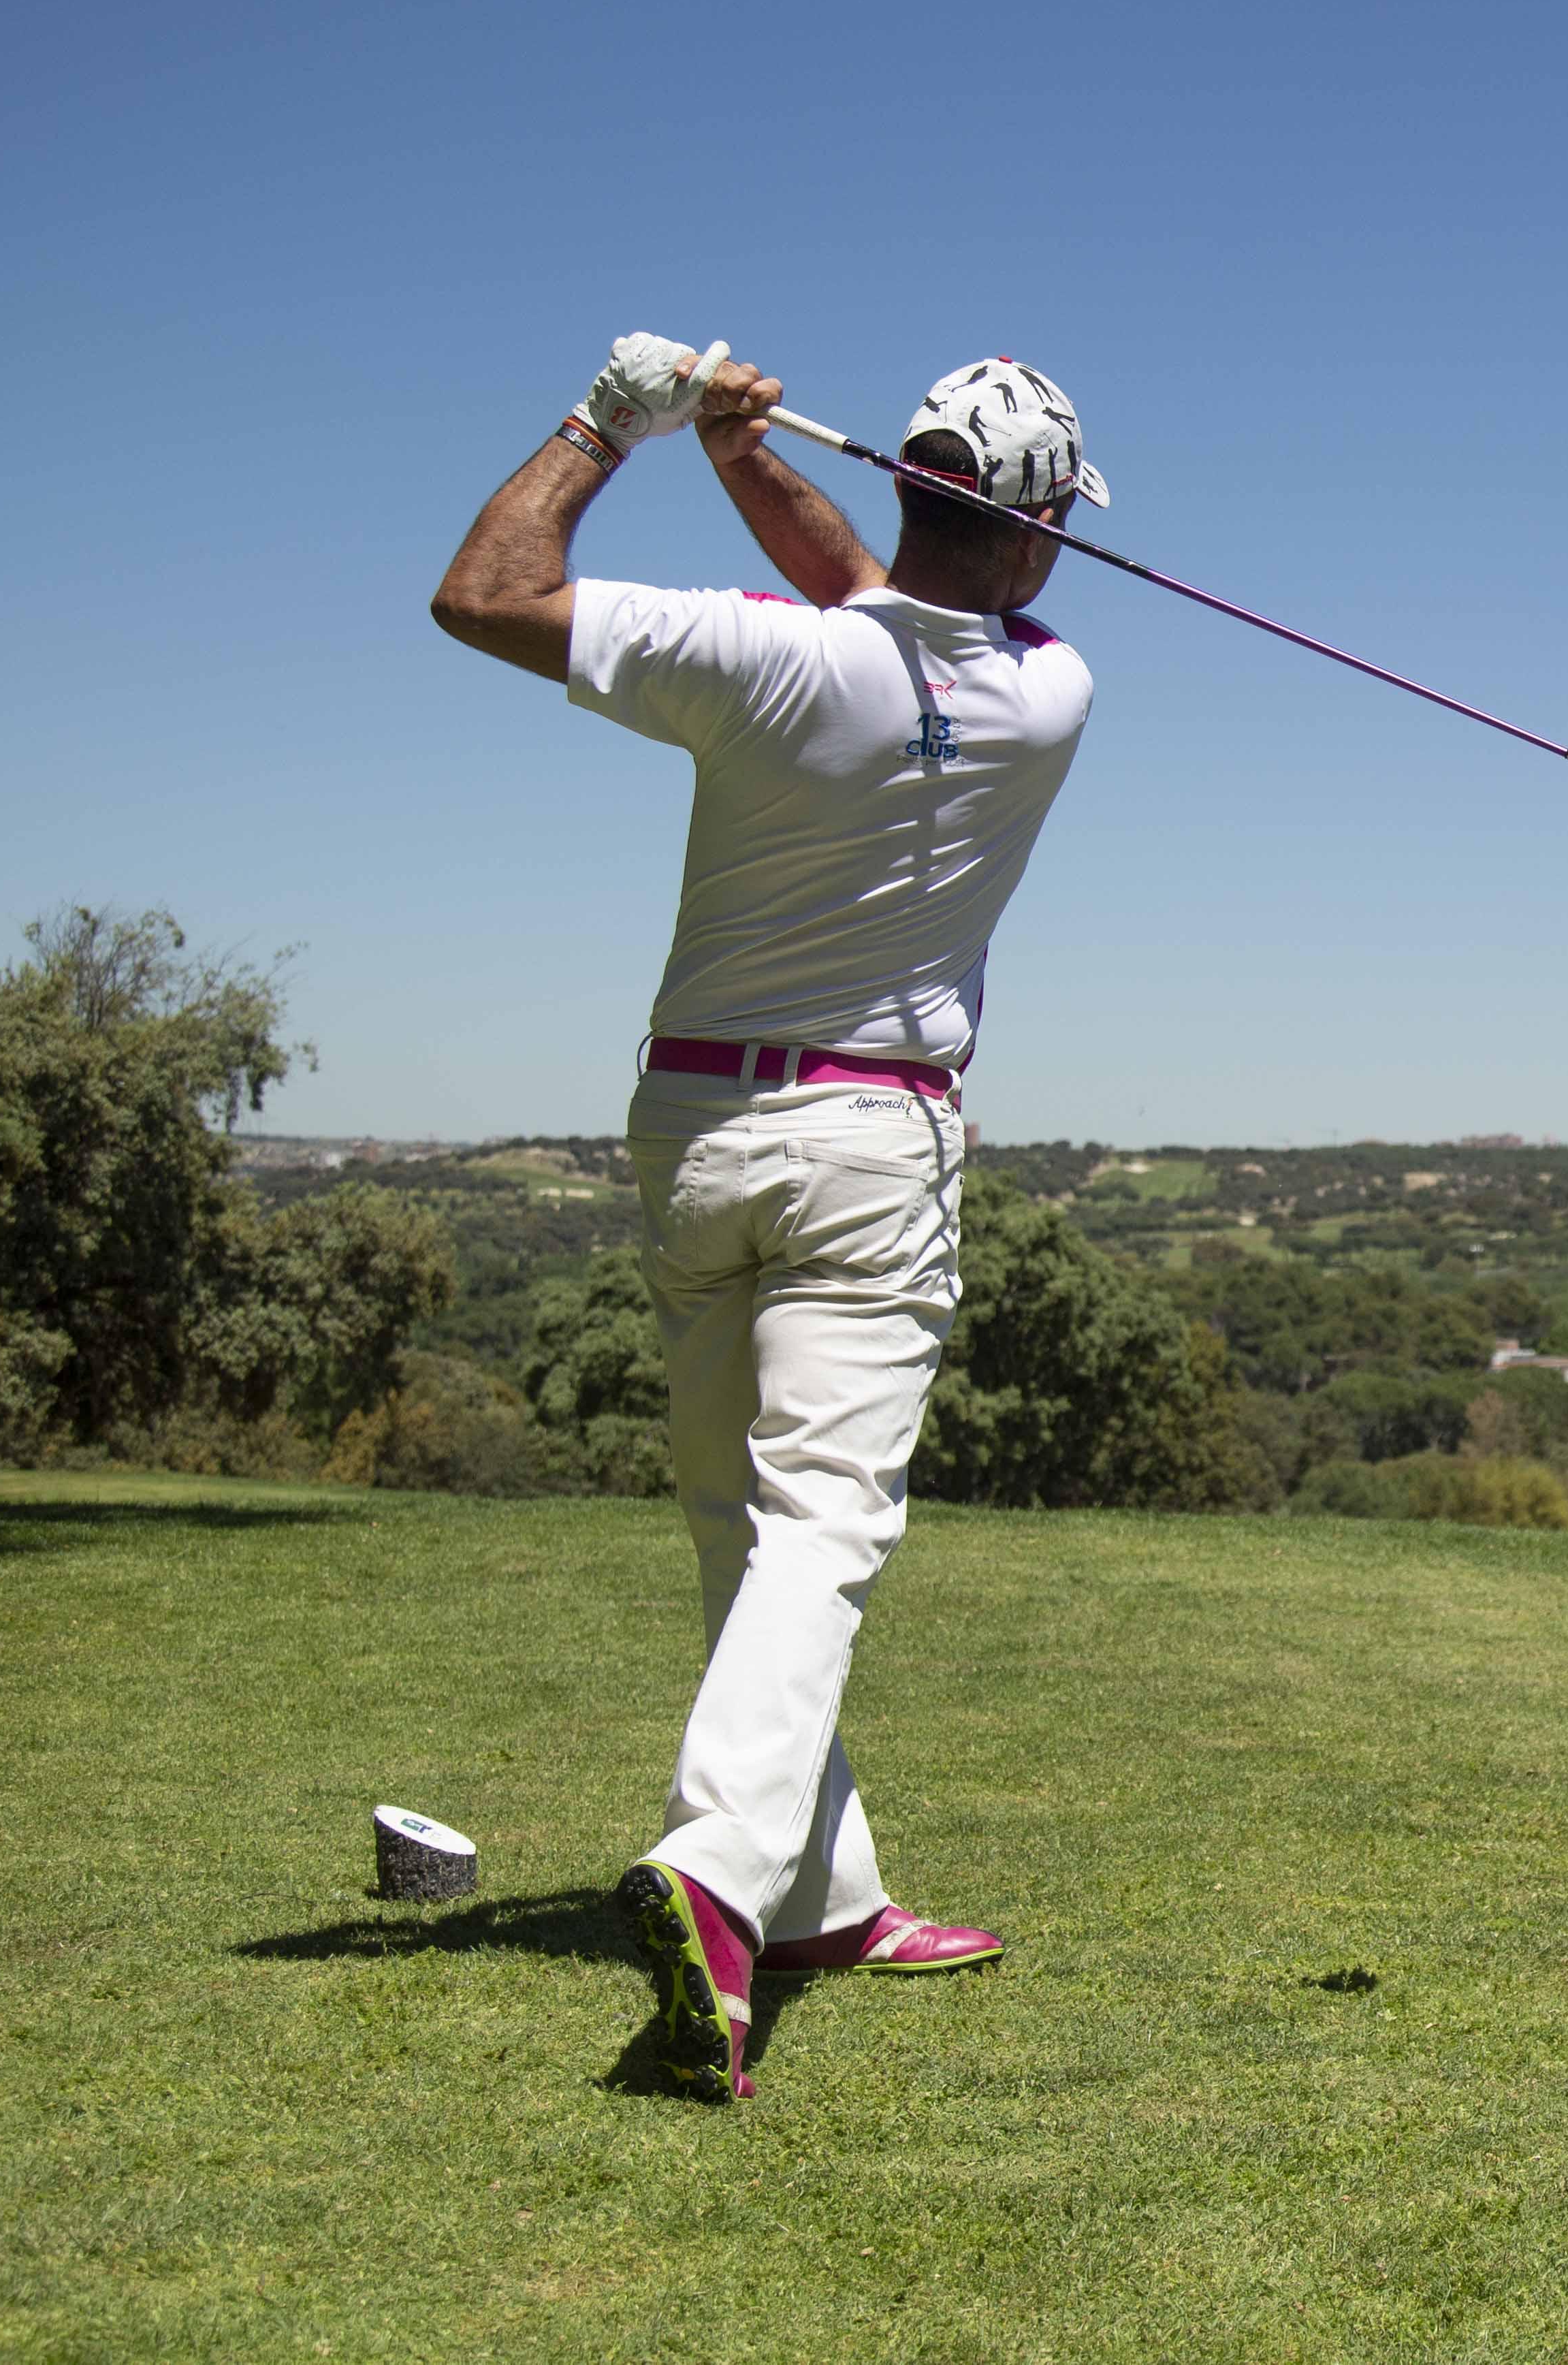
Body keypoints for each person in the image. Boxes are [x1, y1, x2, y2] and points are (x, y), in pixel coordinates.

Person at [431, 333, 1109, 2102]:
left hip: (696, 1126)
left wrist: (620, 427)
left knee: (743, 1524)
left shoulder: (758, 657)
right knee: (821, 1526)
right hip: (877, 1140)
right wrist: (738, 456)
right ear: (1035, 541)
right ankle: (722, 1880)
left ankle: (823, 1897)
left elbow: (489, 593)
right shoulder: (1052, 691)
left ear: (904, 484)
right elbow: (905, 613)